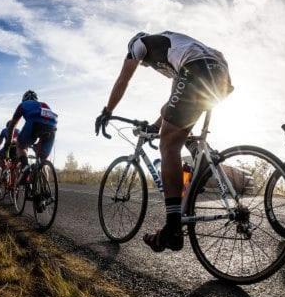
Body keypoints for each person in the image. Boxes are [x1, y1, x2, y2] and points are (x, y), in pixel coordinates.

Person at [95, 31, 233, 252]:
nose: (144, 65)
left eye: (143, 63)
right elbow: (173, 105)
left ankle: (172, 228)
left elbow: (124, 78)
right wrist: (156, 125)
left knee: (168, 146)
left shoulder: (138, 43)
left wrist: (107, 111)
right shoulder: (175, 51)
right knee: (175, 126)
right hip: (220, 73)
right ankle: (200, 155)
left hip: (197, 68)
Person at [6, 90, 57, 211]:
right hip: (52, 126)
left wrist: (8, 142)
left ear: (24, 99)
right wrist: (38, 143)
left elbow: (12, 125)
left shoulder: (22, 105)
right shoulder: (43, 104)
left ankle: (25, 166)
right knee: (43, 159)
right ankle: (45, 194)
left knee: (20, 145)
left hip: (34, 123)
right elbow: (48, 119)